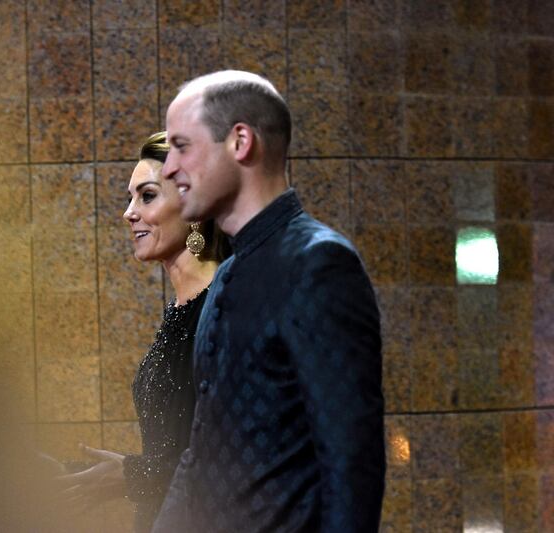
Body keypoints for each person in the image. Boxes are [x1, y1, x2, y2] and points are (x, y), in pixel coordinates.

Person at [152, 71, 385, 532]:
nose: (168, 168)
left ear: (240, 141)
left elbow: (351, 461)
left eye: (182, 146)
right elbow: (201, 450)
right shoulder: (228, 274)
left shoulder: (318, 263)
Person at [58, 132, 231, 533]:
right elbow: (173, 447)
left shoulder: (226, 308)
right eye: (129, 198)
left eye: (147, 196)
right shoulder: (181, 310)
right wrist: (80, 474)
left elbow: (235, 459)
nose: (128, 213)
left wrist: (128, 475)